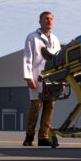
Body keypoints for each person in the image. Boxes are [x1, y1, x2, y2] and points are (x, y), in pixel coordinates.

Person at [23, 11, 60, 146]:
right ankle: (29, 136)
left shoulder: (55, 39)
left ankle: (43, 137)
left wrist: (61, 79)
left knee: (49, 107)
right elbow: (27, 57)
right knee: (35, 108)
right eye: (46, 19)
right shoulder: (32, 37)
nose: (48, 21)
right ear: (40, 21)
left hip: (52, 78)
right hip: (37, 77)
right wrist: (28, 77)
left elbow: (58, 59)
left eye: (50, 19)